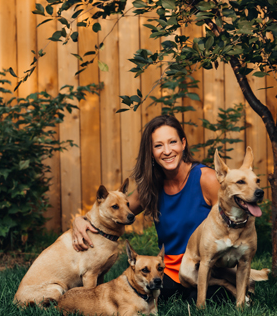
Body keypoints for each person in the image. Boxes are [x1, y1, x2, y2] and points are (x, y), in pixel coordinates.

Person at [72, 115, 231, 302]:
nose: (167, 151)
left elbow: (233, 224)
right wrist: (79, 220)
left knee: (205, 298)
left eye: (172, 142)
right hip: (169, 271)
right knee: (134, 293)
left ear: (183, 144)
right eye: (158, 145)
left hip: (207, 267)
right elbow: (116, 210)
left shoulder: (207, 179)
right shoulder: (151, 186)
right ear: (151, 151)